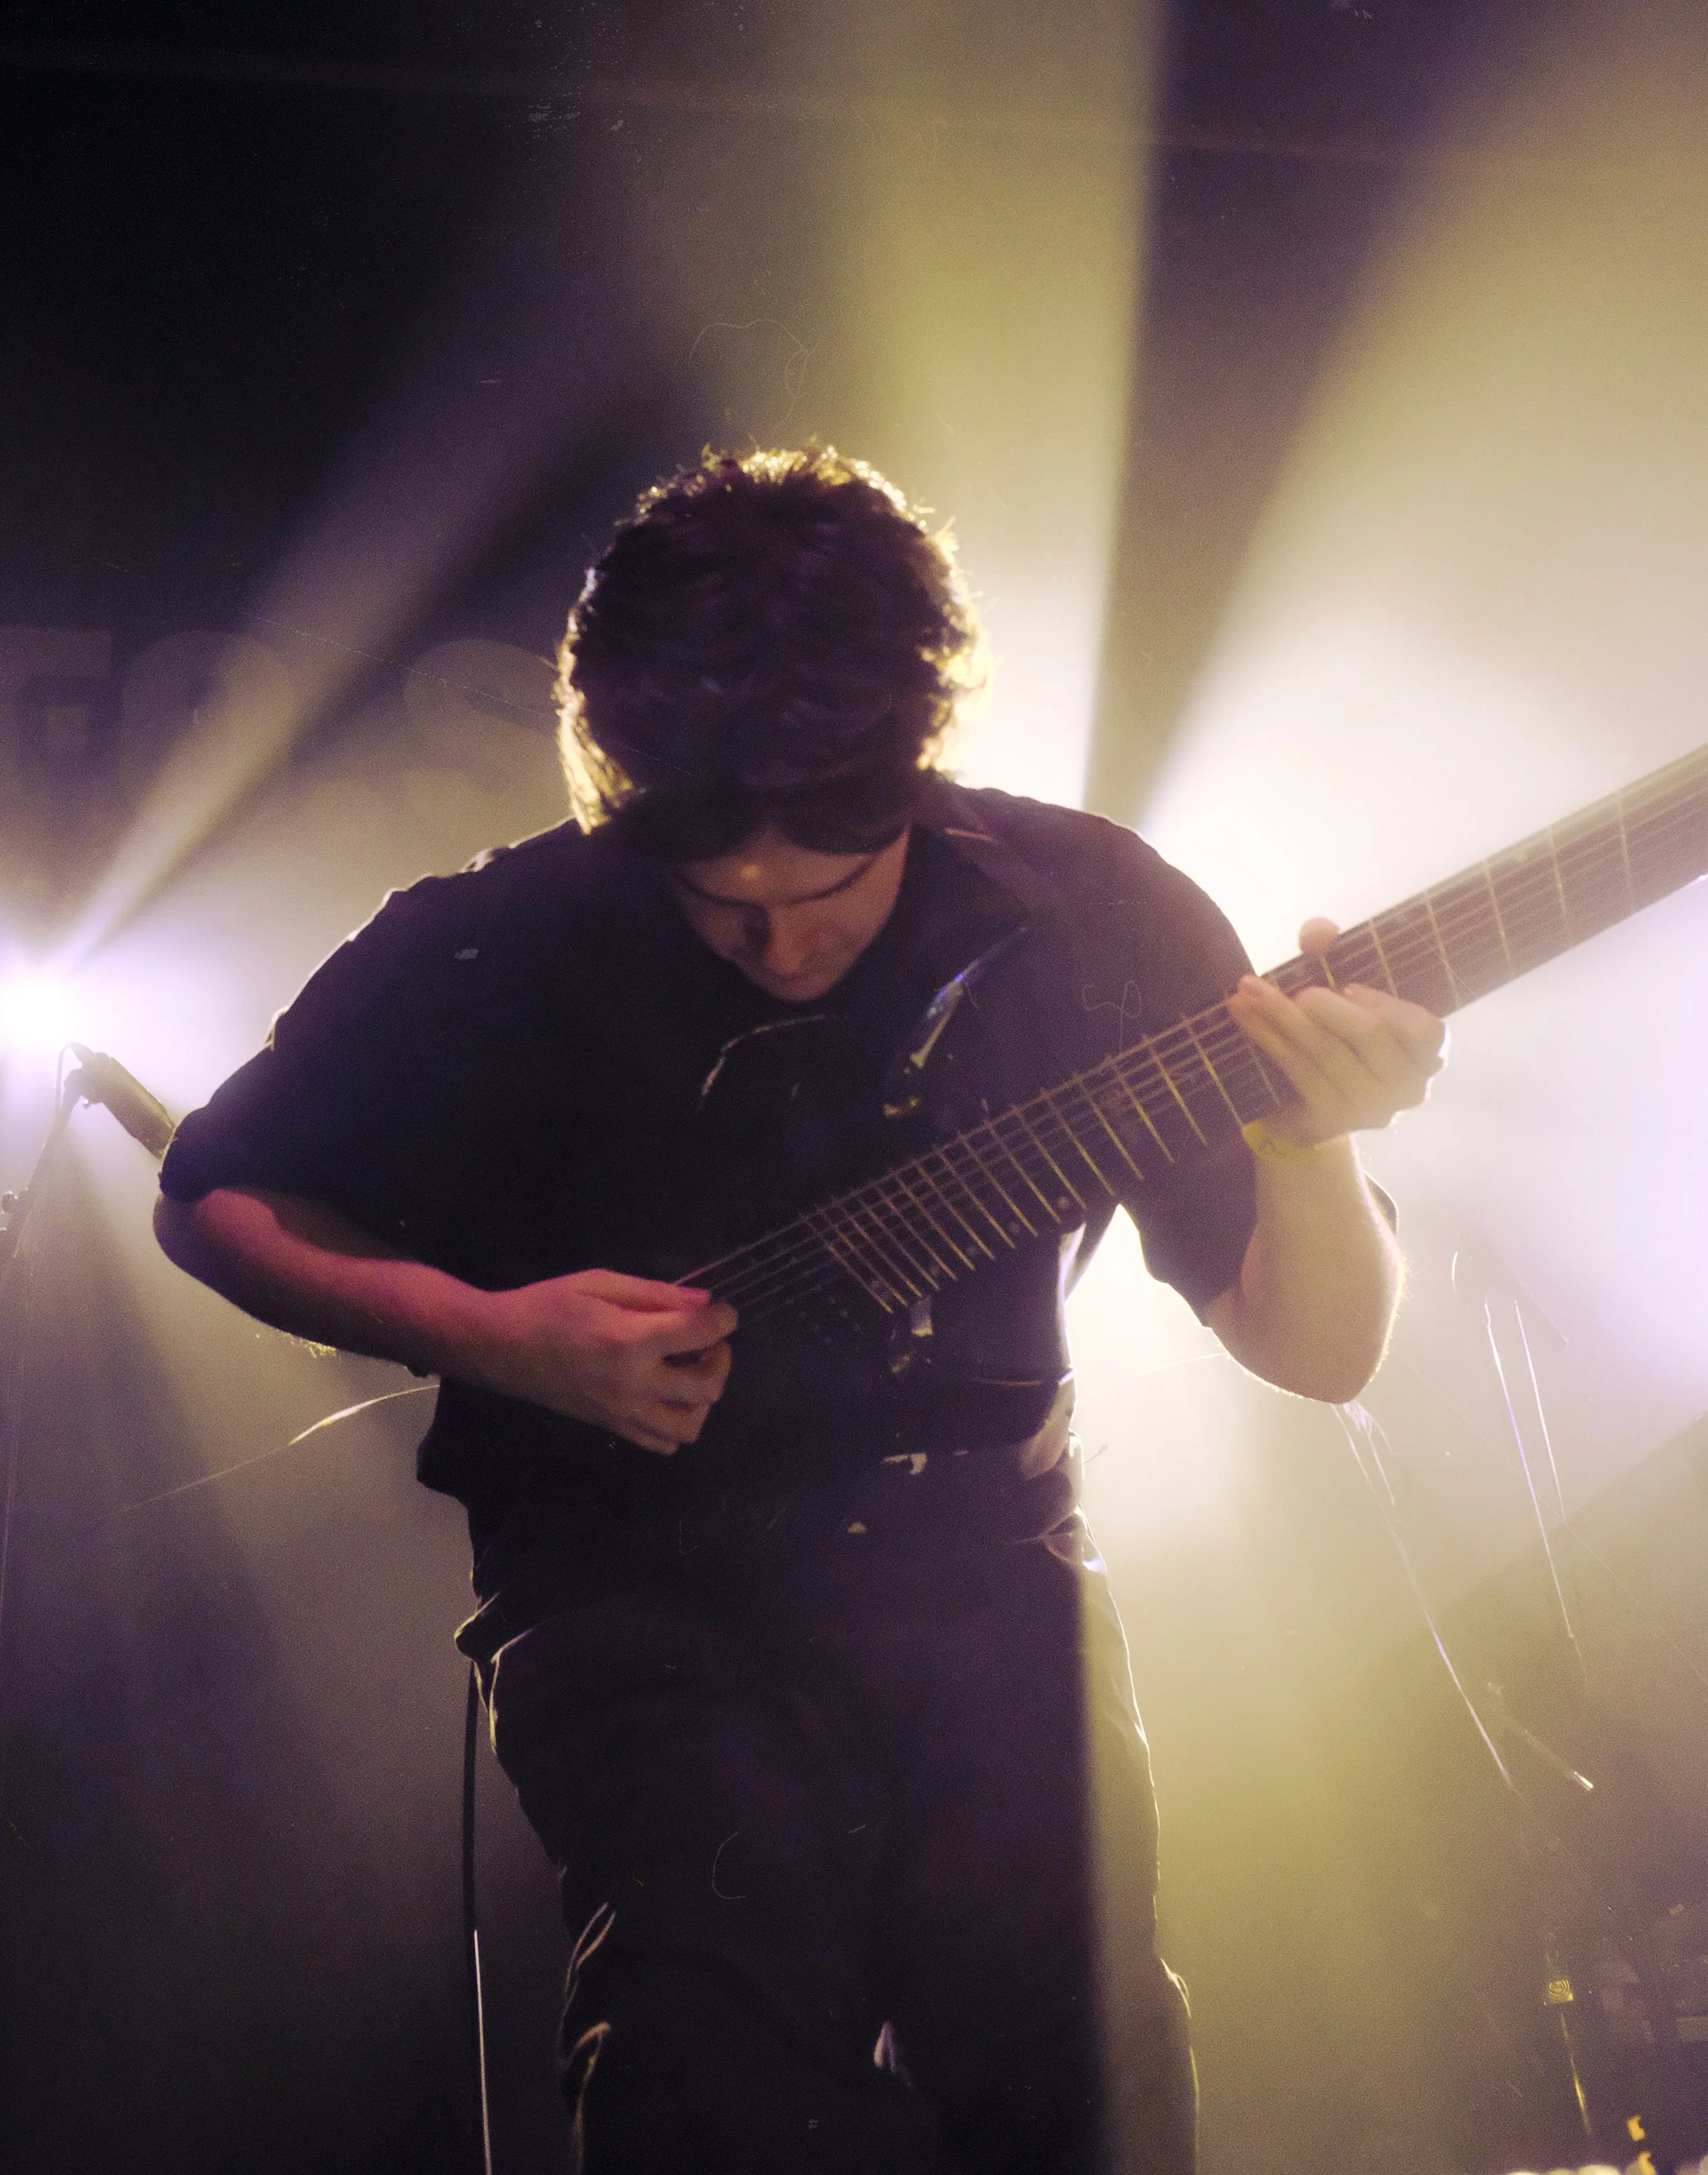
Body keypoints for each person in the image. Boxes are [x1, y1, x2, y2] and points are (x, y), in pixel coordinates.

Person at [154, 446, 1445, 2174]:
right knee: (718, 2088)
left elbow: (1319, 1351)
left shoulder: (1090, 914)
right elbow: (216, 1195)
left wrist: (1310, 1149)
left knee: (1084, 2104)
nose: (775, 943)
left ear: (917, 772)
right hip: (634, 1599)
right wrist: (494, 1335)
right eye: (720, 902)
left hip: (995, 1575)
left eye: (823, 894)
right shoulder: (495, 936)